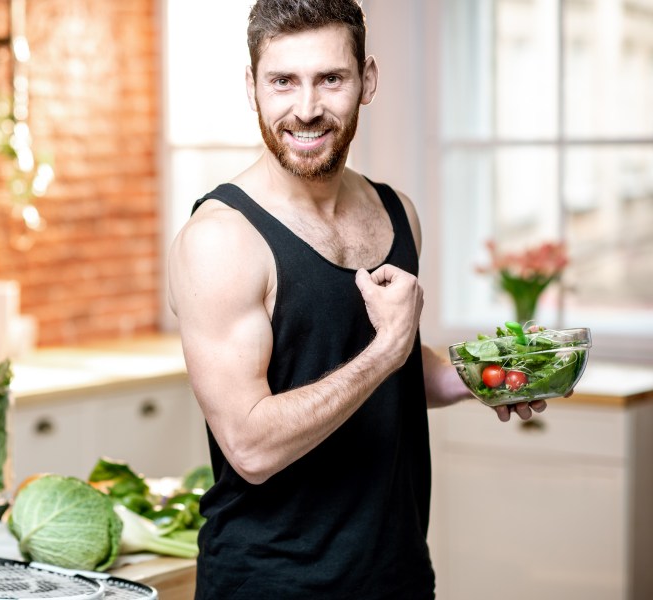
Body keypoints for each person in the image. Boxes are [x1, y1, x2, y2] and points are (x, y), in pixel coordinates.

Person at [166, 0, 552, 597]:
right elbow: (250, 445)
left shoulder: (397, 213)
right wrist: (386, 352)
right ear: (252, 87)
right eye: (282, 81)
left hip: (396, 574)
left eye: (331, 79)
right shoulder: (221, 240)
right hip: (271, 583)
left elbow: (395, 372)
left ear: (366, 80)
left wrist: (495, 374)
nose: (307, 108)